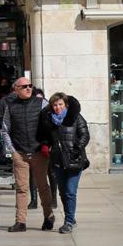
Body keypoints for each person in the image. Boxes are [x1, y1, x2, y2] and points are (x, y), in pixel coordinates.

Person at [1, 77, 53, 232]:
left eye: (30, 85)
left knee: (42, 186)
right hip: (20, 152)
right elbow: (5, 129)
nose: (29, 88)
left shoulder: (41, 103)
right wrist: (12, 150)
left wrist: (47, 144)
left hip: (39, 152)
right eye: (24, 86)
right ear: (16, 89)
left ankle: (48, 216)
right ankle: (20, 222)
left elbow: (50, 125)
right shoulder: (10, 107)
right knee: (21, 188)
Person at [39, 92, 90, 234]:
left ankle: (68, 222)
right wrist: (45, 145)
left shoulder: (75, 117)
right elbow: (45, 137)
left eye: (60, 104)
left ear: (66, 105)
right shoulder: (49, 121)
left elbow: (85, 135)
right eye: (55, 105)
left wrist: (77, 147)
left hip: (74, 160)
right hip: (57, 161)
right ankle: (71, 218)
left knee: (70, 191)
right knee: (62, 192)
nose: (57, 107)